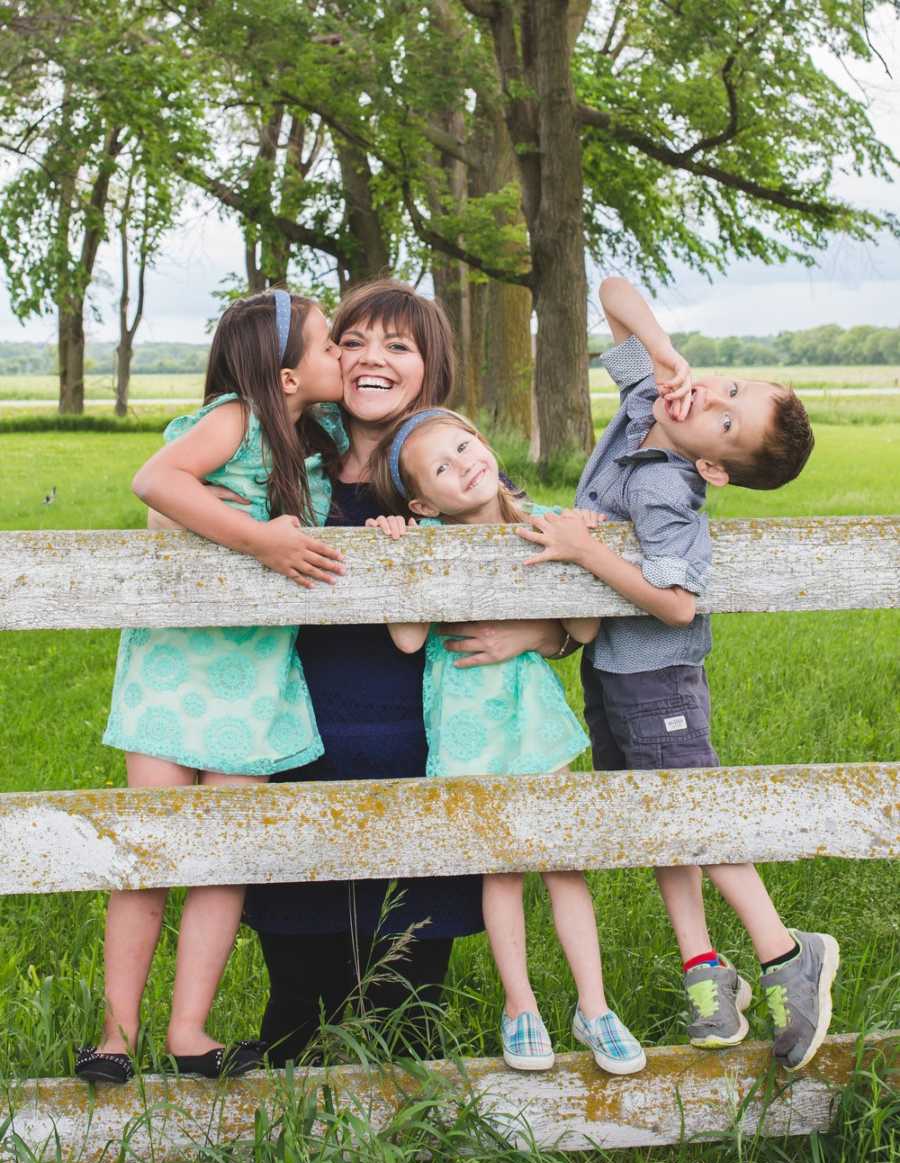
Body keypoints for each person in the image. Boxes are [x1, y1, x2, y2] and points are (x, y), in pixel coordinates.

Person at [240, 279, 576, 1066]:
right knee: (297, 984)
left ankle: (406, 1155)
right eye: (351, 341)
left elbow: (557, 585)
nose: (371, 359)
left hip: (426, 745)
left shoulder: (450, 472)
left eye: (398, 345)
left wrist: (535, 634)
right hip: (298, 741)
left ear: (431, 367)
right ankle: (283, 1153)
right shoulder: (291, 456)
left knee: (408, 996)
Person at [519, 276, 838, 1072]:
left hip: (657, 680)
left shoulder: (668, 486)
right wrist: (667, 355)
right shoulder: (650, 407)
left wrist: (589, 551)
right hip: (612, 674)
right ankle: (705, 970)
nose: (708, 400)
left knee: (690, 813)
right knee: (660, 822)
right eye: (727, 386)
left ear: (716, 469)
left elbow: (673, 604)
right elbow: (612, 289)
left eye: (726, 419)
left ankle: (785, 952)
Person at [77, 290, 346, 1083]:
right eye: (330, 346)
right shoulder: (234, 417)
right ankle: (115, 1035)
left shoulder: (317, 440)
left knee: (223, 861)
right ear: (286, 373)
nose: (341, 358)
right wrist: (258, 540)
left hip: (255, 676)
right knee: (150, 856)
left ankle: (188, 1030)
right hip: (174, 672)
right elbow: (157, 482)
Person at [365, 407, 646, 1075]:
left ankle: (595, 1005)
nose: (464, 464)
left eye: (465, 446)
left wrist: (574, 553)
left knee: (563, 857)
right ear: (420, 499)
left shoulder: (542, 521)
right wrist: (400, 555)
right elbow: (407, 639)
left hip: (533, 716)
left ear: (485, 443)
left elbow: (582, 629)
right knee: (500, 865)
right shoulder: (427, 540)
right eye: (442, 467)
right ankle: (520, 1005)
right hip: (464, 720)